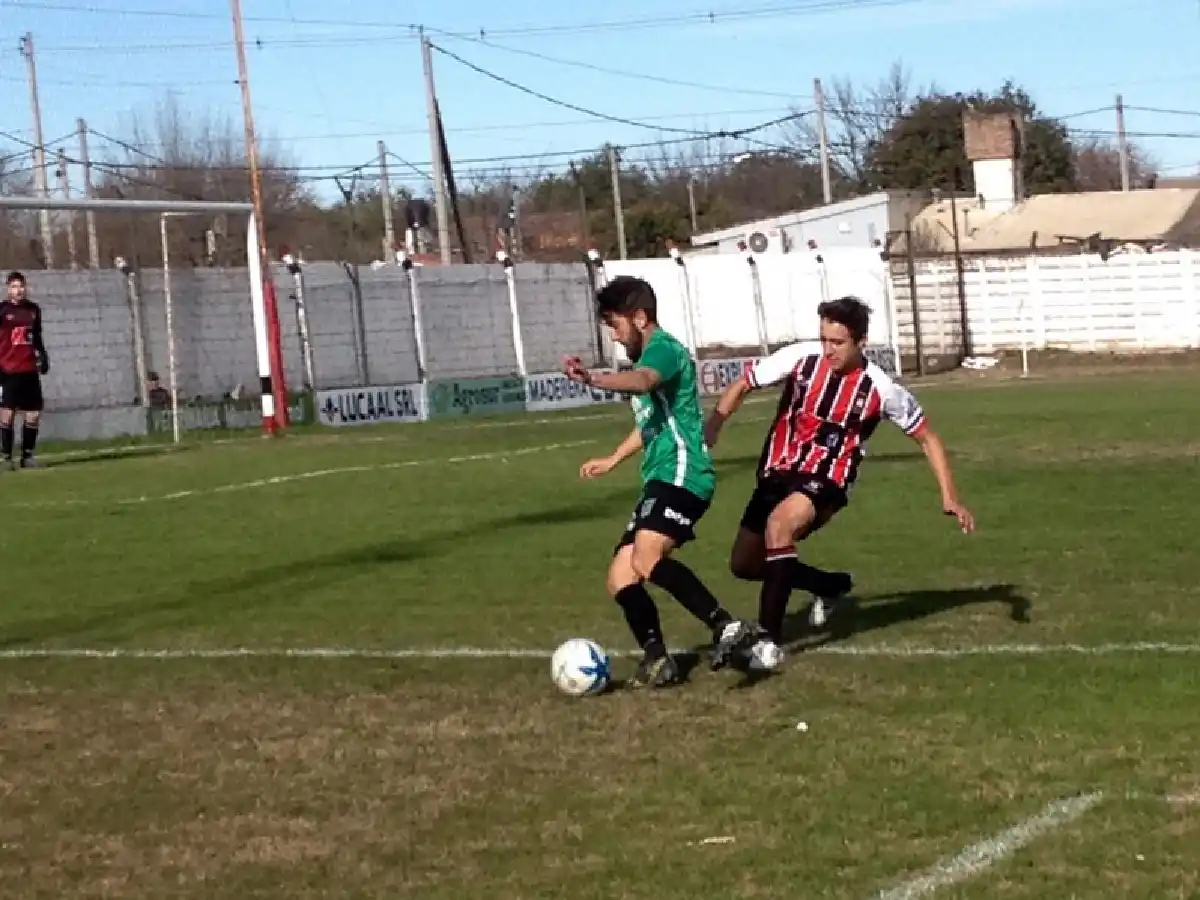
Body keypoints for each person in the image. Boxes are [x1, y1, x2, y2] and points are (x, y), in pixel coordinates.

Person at [704, 295, 975, 670]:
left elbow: (927, 438)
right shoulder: (800, 359)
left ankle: (768, 642)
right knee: (745, 565)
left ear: (861, 342)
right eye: (824, 340)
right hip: (777, 472)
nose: (828, 350)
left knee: (779, 526)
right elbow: (744, 383)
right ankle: (828, 585)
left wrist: (950, 497)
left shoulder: (880, 388)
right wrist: (714, 425)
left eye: (838, 342)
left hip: (827, 480)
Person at [564, 275, 756, 688]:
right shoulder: (649, 356)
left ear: (639, 317)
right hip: (661, 477)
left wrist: (592, 378)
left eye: (616, 325)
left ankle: (726, 626)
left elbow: (644, 381)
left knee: (646, 556)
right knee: (621, 576)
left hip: (683, 474)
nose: (615, 336)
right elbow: (650, 423)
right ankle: (657, 659)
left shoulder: (662, 350)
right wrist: (613, 459)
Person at [0, 271, 50, 470]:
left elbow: (36, 336)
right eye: (14, 286)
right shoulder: (2, 310)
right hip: (7, 369)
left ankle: (27, 456)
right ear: (8, 289)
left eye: (21, 286)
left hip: (29, 369)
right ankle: (6, 458)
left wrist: (43, 355)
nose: (18, 290)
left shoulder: (33, 310)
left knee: (33, 414)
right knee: (7, 414)